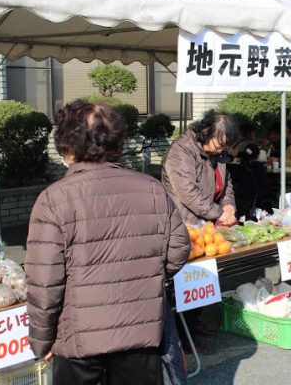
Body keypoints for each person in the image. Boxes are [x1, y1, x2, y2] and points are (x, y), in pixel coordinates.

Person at [25, 100, 190, 385]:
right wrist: (149, 278)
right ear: (116, 142)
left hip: (79, 341)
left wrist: (42, 341)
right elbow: (178, 249)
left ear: (67, 146)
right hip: (141, 334)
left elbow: (44, 282)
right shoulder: (151, 188)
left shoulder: (53, 199)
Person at [161, 109, 240, 227]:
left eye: (225, 147)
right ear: (206, 132)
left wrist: (228, 204)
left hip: (208, 222)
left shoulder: (219, 152)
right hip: (183, 223)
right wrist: (218, 213)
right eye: (219, 146)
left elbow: (226, 182)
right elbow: (187, 191)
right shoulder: (182, 149)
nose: (221, 150)